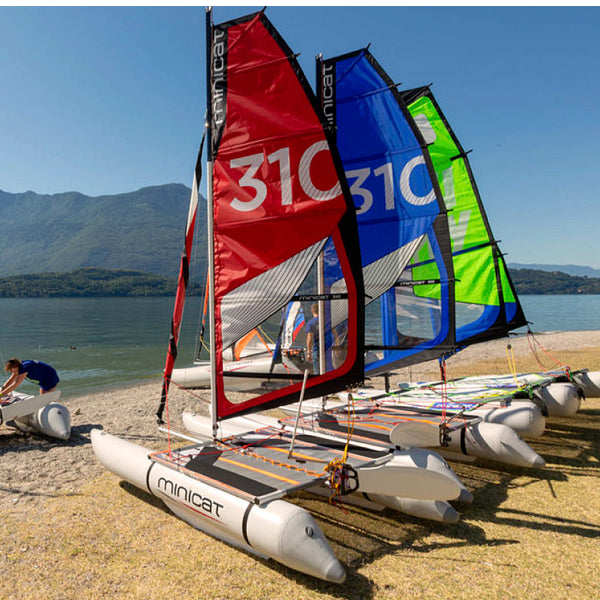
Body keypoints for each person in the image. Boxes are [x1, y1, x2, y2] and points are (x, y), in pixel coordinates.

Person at [305, 303, 321, 374]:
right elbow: (334, 332)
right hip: (327, 349)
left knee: (317, 371)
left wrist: (308, 352)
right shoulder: (326, 320)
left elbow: (309, 339)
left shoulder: (311, 323)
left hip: (316, 349)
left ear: (312, 311)